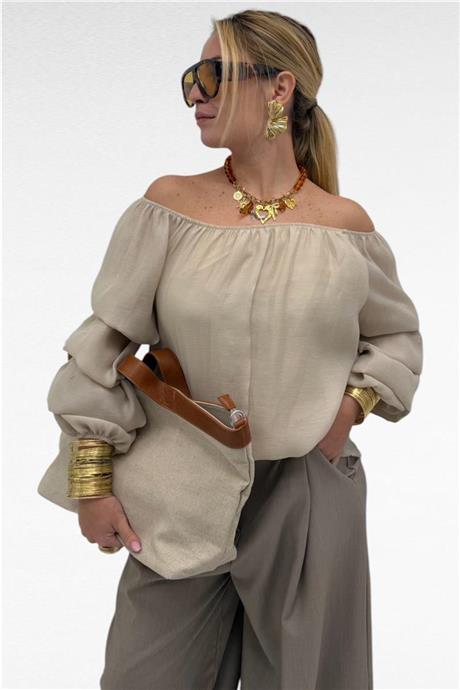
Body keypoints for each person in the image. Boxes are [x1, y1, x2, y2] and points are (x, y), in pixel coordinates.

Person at [45, 9, 424, 690]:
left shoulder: (345, 228)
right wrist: (91, 481)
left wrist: (346, 414)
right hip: (178, 486)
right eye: (191, 78)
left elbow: (395, 336)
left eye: (214, 74)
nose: (196, 94)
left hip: (307, 489)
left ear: (280, 88)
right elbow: (102, 348)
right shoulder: (168, 209)